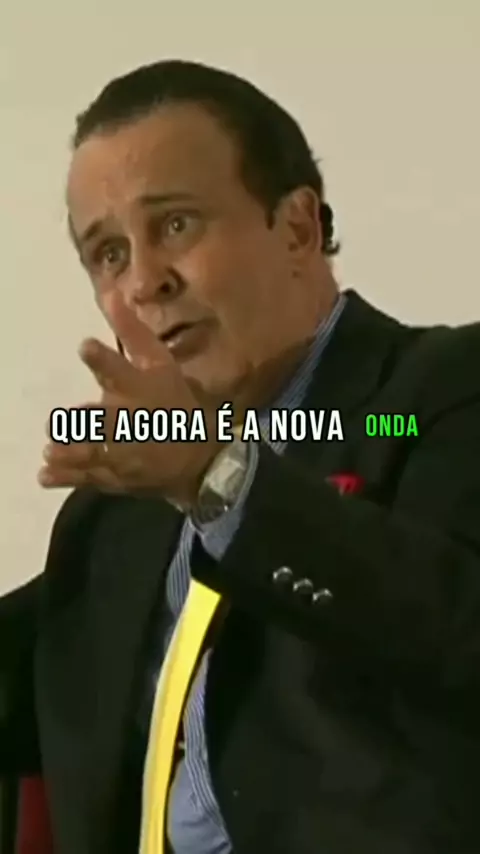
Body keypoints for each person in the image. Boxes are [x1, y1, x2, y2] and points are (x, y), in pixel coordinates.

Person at [1, 59, 480, 854]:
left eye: (175, 225)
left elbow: (457, 627)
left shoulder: (442, 394)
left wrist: (218, 481)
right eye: (109, 253)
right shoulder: (118, 506)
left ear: (296, 228)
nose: (145, 281)